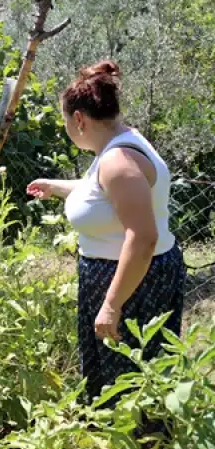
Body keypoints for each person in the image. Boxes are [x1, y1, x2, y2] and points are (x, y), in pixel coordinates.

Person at [26, 60, 185, 408]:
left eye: (66, 121)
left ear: (79, 119)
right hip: (128, 275)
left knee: (129, 382)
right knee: (138, 376)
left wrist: (112, 306)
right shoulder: (123, 142)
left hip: (132, 282)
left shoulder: (118, 162)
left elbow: (143, 237)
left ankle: (136, 442)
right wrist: (56, 187)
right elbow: (101, 195)